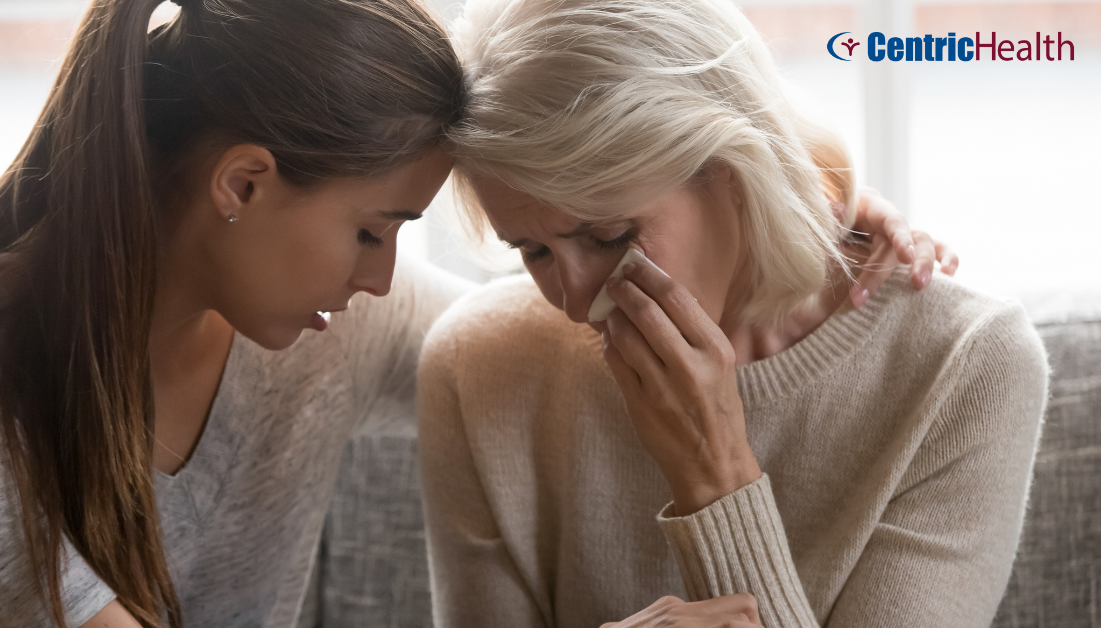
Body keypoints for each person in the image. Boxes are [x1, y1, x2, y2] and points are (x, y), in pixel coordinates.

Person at [0, 0, 948, 627]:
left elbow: (540, 337)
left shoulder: (331, 318)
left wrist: (799, 199)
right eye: (374, 229)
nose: (382, 278)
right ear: (243, 183)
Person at [417, 0, 1047, 627]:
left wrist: (715, 479)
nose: (578, 304)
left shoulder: (968, 368)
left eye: (609, 236)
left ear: (733, 170)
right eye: (532, 251)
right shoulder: (475, 367)